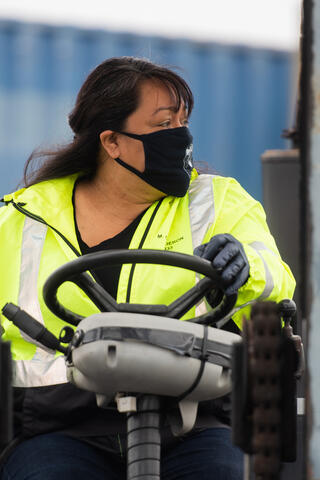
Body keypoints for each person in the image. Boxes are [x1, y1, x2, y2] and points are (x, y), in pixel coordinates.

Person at [0, 57, 295, 480]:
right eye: (162, 124)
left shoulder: (219, 202)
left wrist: (246, 267)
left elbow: (277, 277)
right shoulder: (22, 219)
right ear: (111, 142)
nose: (181, 136)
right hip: (59, 430)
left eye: (182, 120)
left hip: (192, 424)